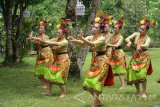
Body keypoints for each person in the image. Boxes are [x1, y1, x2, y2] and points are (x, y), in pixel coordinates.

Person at [68, 16, 113, 107]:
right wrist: (74, 40)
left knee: (96, 83)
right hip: (95, 62)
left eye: (96, 27)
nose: (93, 29)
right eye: (93, 27)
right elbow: (82, 42)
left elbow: (92, 44)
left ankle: (94, 105)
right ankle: (98, 101)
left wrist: (82, 38)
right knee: (88, 82)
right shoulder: (91, 36)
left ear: (100, 30)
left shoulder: (102, 38)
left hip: (103, 62)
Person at [36, 18, 71, 97]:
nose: (57, 34)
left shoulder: (65, 41)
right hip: (56, 60)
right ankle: (49, 92)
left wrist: (44, 41)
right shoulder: (57, 39)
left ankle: (63, 93)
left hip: (64, 60)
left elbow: (51, 42)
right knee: (48, 75)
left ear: (63, 34)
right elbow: (48, 40)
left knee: (59, 76)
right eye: (57, 32)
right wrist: (36, 38)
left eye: (59, 33)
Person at [125, 19, 153, 98]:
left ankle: (144, 92)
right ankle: (138, 91)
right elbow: (127, 38)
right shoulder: (136, 34)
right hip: (136, 56)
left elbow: (146, 45)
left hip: (144, 57)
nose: (140, 30)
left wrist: (140, 45)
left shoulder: (148, 38)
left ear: (146, 31)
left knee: (142, 74)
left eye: (142, 29)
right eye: (140, 28)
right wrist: (129, 42)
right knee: (134, 74)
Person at [27, 21, 53, 88]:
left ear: (44, 30)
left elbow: (41, 40)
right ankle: (43, 84)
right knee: (39, 68)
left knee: (45, 68)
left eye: (41, 28)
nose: (39, 29)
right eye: (39, 28)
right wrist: (31, 34)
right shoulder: (38, 36)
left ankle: (47, 84)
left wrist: (33, 37)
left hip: (47, 53)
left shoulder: (46, 37)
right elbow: (30, 40)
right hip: (40, 53)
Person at [107, 20, 126, 90]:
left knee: (120, 70)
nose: (114, 29)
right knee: (110, 69)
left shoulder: (121, 37)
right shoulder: (112, 35)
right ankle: (109, 83)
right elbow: (107, 41)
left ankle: (123, 85)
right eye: (114, 28)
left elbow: (117, 45)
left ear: (120, 29)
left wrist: (107, 44)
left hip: (119, 54)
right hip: (113, 54)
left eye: (116, 28)